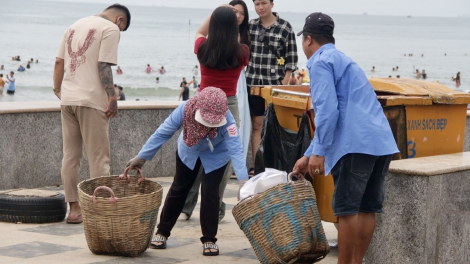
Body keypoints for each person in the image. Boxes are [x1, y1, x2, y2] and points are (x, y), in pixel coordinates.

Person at [292, 12, 398, 264]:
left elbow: (327, 111)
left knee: (347, 209)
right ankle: (356, 262)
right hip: (380, 142)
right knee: (367, 208)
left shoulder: (319, 62)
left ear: (308, 40)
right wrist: (309, 155)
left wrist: (318, 153)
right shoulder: (344, 59)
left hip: (355, 144)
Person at [126, 87, 248, 256]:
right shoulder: (185, 109)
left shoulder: (228, 121)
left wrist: (243, 181)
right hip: (189, 150)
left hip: (216, 155)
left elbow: (236, 150)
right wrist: (142, 157)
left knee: (210, 192)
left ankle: (209, 239)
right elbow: (162, 133)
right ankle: (162, 232)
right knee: (179, 188)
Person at [53, 3, 131, 224]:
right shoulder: (110, 29)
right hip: (92, 101)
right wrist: (113, 98)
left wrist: (58, 89)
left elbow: (59, 61)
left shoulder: (74, 25)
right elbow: (104, 64)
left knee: (71, 157)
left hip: (68, 100)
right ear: (120, 20)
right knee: (98, 158)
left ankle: (75, 210)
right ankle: (99, 210)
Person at [180, 4, 250, 223]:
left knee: (195, 154)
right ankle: (216, 209)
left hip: (202, 104)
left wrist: (217, 11)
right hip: (229, 105)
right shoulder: (242, 52)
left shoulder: (202, 48)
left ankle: (185, 206)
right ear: (233, 28)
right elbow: (235, 42)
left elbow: (200, 32)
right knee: (224, 159)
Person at [246, 0, 298, 175]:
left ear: (272, 4)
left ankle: (276, 166)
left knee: (276, 125)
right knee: (257, 125)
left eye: (264, 3)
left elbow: (291, 57)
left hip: (275, 86)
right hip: (253, 83)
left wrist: (285, 81)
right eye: (257, 4)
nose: (261, 7)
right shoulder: (251, 26)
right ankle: (257, 166)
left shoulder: (285, 27)